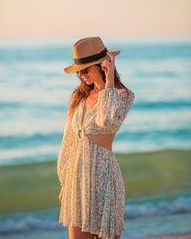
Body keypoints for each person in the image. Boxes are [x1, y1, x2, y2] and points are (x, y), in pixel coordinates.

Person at [57, 36, 135, 239]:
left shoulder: (122, 96)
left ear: (103, 65)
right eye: (78, 72)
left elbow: (106, 121)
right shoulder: (78, 98)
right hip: (77, 182)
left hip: (105, 180)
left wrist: (108, 83)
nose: (81, 75)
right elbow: (68, 142)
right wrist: (64, 182)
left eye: (84, 70)